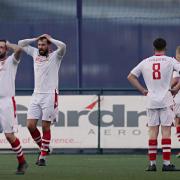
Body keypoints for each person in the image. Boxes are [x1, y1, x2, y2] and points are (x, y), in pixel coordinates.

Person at [127, 38, 180, 171]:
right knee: (166, 132)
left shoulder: (146, 61)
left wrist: (143, 90)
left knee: (152, 132)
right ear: (165, 47)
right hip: (166, 99)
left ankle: (152, 164)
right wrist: (177, 88)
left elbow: (131, 76)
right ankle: (166, 164)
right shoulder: (170, 60)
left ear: (153, 48)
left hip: (151, 100)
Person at [18, 34, 66, 166]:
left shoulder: (56, 56)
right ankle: (45, 148)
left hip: (50, 95)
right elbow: (21, 43)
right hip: (36, 95)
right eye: (39, 45)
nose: (40, 47)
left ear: (48, 45)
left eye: (43, 44)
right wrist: (36, 38)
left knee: (45, 126)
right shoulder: (35, 53)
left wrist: (51, 39)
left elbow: (63, 46)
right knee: (30, 125)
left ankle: (43, 157)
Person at [0, 40, 28, 174]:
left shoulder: (11, 61)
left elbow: (19, 49)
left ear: (6, 50)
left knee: (9, 135)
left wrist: (7, 43)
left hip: (6, 102)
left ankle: (22, 162)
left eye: (1, 47)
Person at [171, 46, 180, 158]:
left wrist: (167, 87)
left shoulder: (178, 66)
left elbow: (176, 80)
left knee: (177, 122)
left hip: (179, 98)